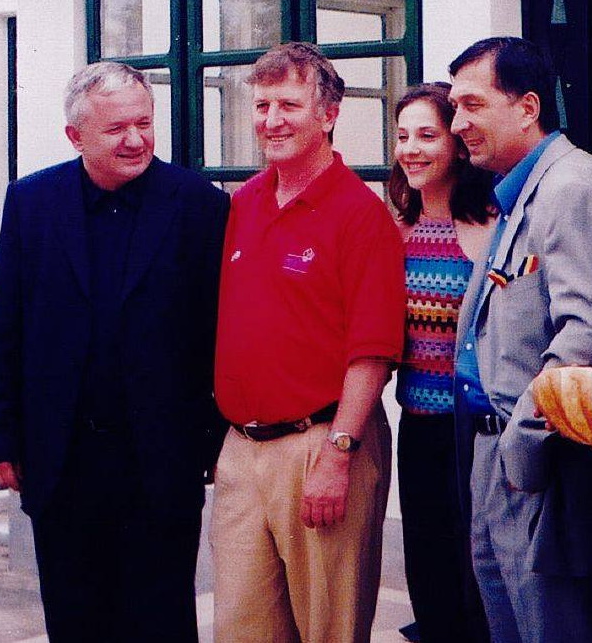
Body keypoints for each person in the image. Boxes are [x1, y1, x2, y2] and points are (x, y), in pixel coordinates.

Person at [0, 62, 229, 643]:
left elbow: (218, 332)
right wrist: (0, 438)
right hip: (60, 459)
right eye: (117, 129)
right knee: (75, 619)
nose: (135, 139)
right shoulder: (32, 203)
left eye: (144, 122)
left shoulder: (198, 205)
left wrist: (214, 442)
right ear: (75, 135)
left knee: (161, 620)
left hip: (160, 462)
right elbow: (4, 325)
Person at [449, 37, 592, 643]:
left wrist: (523, 448)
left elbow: (591, 334)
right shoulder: (519, 191)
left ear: (528, 106)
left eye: (473, 105)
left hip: (542, 466)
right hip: (503, 458)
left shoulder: (570, 189)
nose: (457, 124)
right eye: (455, 107)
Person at [211, 42, 406, 643]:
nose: (272, 120)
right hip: (242, 451)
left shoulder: (359, 215)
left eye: (289, 105)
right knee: (241, 630)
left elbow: (372, 351)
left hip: (322, 446)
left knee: (330, 630)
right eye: (262, 104)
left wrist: (339, 452)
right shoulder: (244, 203)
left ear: (328, 114)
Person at [390, 82, 494, 643]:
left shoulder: (489, 227)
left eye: (428, 135)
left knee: (476, 575)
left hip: (474, 431)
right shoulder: (396, 231)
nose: (412, 149)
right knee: (428, 571)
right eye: (402, 136)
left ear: (456, 144)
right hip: (419, 426)